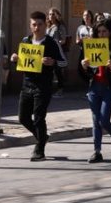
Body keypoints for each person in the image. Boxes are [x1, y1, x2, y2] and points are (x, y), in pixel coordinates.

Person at [9, 11, 67, 161]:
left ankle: (39, 149)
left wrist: (53, 62)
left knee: (39, 118)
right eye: (34, 24)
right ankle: (42, 137)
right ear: (30, 25)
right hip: (27, 84)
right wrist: (15, 58)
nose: (36, 28)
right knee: (23, 118)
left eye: (40, 24)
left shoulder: (51, 43)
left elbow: (64, 62)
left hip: (43, 86)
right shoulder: (25, 40)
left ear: (45, 25)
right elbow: (21, 59)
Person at [81, 18, 111, 163]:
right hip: (94, 87)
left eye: (104, 31)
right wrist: (84, 66)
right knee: (95, 120)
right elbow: (82, 72)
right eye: (99, 32)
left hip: (108, 87)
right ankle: (97, 151)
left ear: (110, 32)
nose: (101, 34)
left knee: (103, 120)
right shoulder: (91, 46)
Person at [46, 7, 68, 97]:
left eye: (53, 14)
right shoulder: (48, 26)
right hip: (48, 51)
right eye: (50, 14)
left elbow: (63, 40)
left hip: (57, 51)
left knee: (58, 70)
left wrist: (55, 42)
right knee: (49, 71)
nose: (51, 16)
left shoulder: (60, 27)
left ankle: (60, 89)